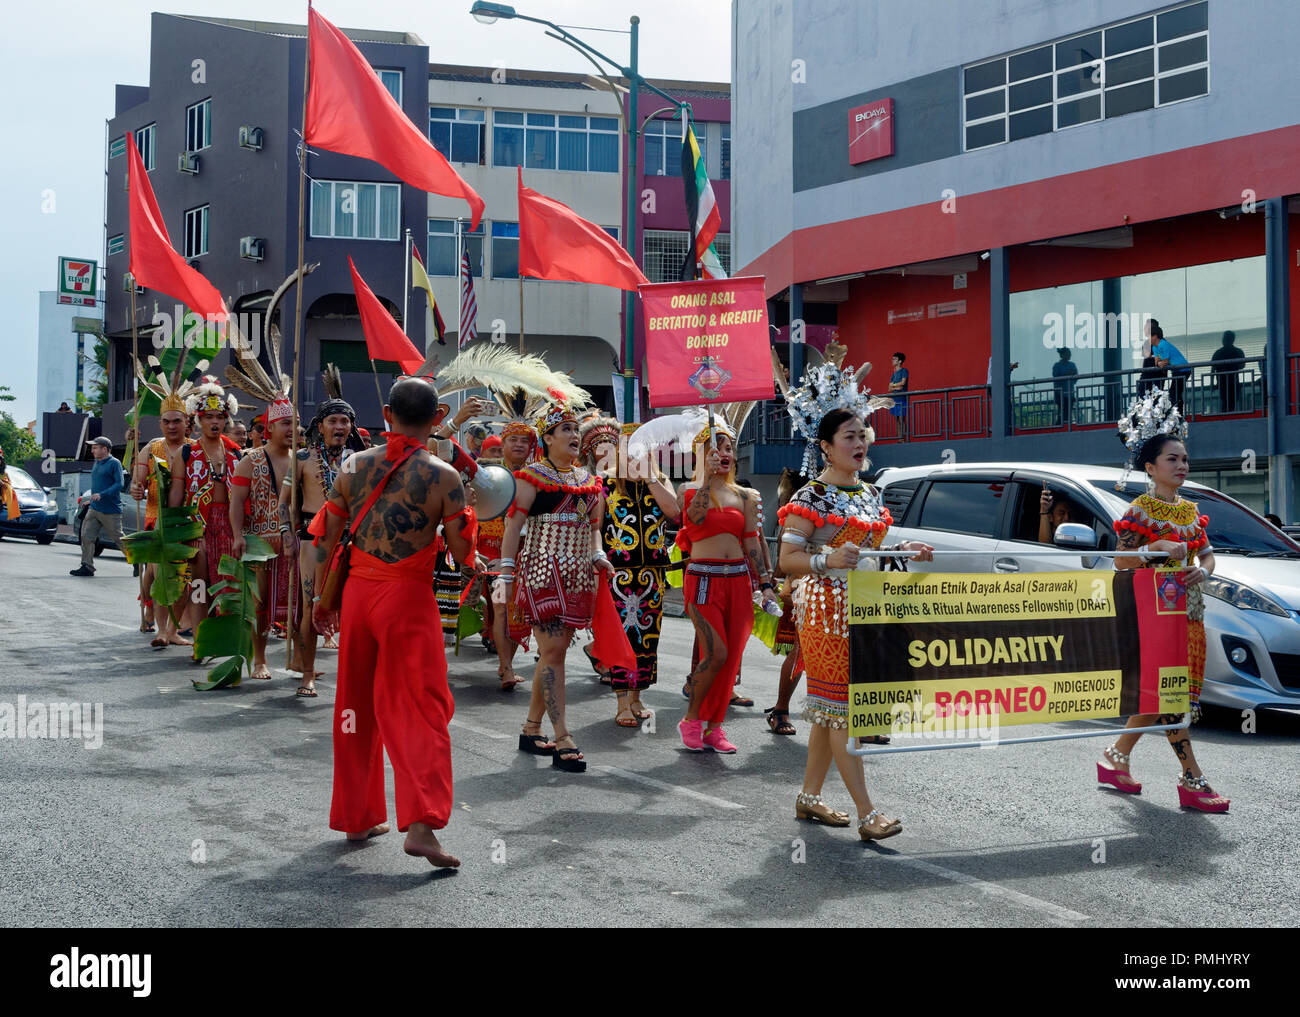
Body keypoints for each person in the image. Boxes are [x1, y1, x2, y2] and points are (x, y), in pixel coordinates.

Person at [311, 377, 473, 868]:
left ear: (386, 413)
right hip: (407, 599)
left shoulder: (353, 466)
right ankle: (421, 826)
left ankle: (357, 815)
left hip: (358, 594)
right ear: (438, 419)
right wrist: (469, 559)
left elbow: (325, 539)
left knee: (353, 704)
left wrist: (323, 600)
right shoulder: (445, 477)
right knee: (421, 708)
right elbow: (463, 552)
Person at [775, 353, 932, 840]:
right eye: (850, 436)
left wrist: (905, 549)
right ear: (825, 447)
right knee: (842, 706)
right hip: (823, 609)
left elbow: (873, 548)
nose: (860, 442)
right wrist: (827, 560)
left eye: (864, 434)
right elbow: (788, 560)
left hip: (864, 607)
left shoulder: (868, 495)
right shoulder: (810, 498)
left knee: (829, 707)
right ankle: (867, 812)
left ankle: (809, 797)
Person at [1103, 431, 1229, 813]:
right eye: (1172, 459)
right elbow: (1120, 561)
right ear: (1150, 468)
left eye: (1185, 459)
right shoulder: (1138, 511)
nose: (1182, 466)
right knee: (1169, 689)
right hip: (1151, 615)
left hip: (1188, 614)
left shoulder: (1191, 512)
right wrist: (1153, 548)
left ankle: (1115, 756)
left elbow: (1207, 557)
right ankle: (1192, 778)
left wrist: (1202, 574)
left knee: (1163, 689)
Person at [498, 399, 611, 773]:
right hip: (542, 573)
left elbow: (594, 531)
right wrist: (506, 574)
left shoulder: (590, 482)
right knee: (556, 651)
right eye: (566, 430)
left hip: (578, 575)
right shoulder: (531, 477)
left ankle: (531, 729)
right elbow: (513, 528)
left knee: (553, 654)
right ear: (547, 438)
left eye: (576, 430)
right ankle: (563, 736)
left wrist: (598, 555)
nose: (574, 436)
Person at [675, 421, 779, 754]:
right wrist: (706, 479)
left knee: (731, 658)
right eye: (715, 448)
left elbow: (750, 540)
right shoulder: (689, 490)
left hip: (737, 580)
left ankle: (715, 727)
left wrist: (764, 582)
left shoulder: (746, 495)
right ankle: (692, 719)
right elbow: (694, 519)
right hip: (703, 579)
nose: (724, 454)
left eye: (728, 448)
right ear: (701, 455)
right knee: (715, 653)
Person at [587, 417, 677, 727]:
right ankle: (622, 701)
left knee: (647, 637)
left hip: (653, 575)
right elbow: (594, 526)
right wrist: (597, 555)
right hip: (617, 574)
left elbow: (675, 514)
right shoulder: (604, 483)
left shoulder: (660, 480)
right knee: (622, 636)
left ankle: (637, 697)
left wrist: (651, 478)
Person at [291, 393, 358, 695]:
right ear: (320, 426)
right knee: (311, 606)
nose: (339, 426)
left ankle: (353, 679)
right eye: (333, 420)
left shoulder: (358, 461)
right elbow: (287, 505)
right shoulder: (302, 459)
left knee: (356, 610)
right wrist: (285, 534)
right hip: (312, 542)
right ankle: (307, 673)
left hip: (349, 542)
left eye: (345, 421)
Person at [164, 379, 241, 629]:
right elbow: (176, 494)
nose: (214, 422)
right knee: (199, 584)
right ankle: (199, 638)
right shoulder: (186, 454)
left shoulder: (236, 455)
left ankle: (223, 639)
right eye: (208, 416)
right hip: (197, 525)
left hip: (229, 526)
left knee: (230, 585)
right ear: (198, 420)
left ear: (226, 419)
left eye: (219, 416)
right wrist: (175, 531)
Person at [229, 398, 297, 681]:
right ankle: (260, 659)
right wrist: (237, 536)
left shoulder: (301, 459)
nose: (292, 429)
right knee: (259, 606)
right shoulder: (250, 459)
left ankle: (301, 660)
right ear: (269, 427)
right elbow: (236, 502)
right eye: (285, 423)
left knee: (299, 605)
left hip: (294, 543)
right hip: (261, 542)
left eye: (295, 423)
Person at [130, 392, 193, 646]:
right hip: (157, 519)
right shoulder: (152, 447)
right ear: (160, 424)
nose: (171, 426)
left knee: (183, 578)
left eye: (176, 421)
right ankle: (158, 626)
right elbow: (138, 481)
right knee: (155, 574)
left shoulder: (194, 449)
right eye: (166, 421)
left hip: (186, 521)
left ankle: (172, 628)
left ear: (186, 421)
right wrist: (136, 488)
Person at [70, 437, 123, 578]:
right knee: (86, 536)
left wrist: (102, 495)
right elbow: (98, 483)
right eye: (92, 447)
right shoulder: (97, 462)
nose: (92, 450)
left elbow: (119, 484)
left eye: (95, 447)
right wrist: (91, 500)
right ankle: (87, 566)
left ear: (105, 449)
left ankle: (137, 561)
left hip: (110, 510)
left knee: (119, 539)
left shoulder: (114, 463)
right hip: (94, 508)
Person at [1151, 326, 1191, 411]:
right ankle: (1178, 414)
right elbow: (1157, 363)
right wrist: (1160, 363)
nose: (1148, 339)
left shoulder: (1163, 344)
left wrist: (1161, 363)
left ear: (1155, 336)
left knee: (1174, 393)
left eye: (1150, 336)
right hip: (1176, 371)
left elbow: (1165, 362)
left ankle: (1177, 414)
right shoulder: (1154, 347)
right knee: (1175, 393)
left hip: (1183, 370)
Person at [1210, 330, 1245, 414]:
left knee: (1225, 402)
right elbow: (1242, 365)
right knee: (1232, 402)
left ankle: (1225, 417)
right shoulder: (1238, 352)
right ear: (1233, 339)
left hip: (1223, 382)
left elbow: (1212, 370)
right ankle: (1231, 416)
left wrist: (1212, 384)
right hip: (1233, 381)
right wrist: (1234, 365)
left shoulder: (1218, 353)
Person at [1052, 347, 1078, 426]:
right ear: (1062, 355)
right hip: (1060, 393)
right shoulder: (1057, 365)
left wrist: (1072, 375)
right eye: (1068, 353)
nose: (1070, 355)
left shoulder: (1072, 365)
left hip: (1070, 392)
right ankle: (1061, 425)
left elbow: (1076, 378)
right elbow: (1056, 377)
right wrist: (1067, 374)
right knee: (1063, 411)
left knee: (1068, 411)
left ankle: (1064, 425)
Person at [888, 352, 908, 441]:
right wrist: (897, 386)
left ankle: (903, 438)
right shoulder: (893, 375)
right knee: (897, 420)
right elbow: (889, 389)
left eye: (894, 359)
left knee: (901, 419)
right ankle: (899, 438)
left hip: (902, 399)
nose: (892, 361)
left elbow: (903, 383)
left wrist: (894, 385)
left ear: (900, 361)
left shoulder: (904, 371)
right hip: (894, 399)